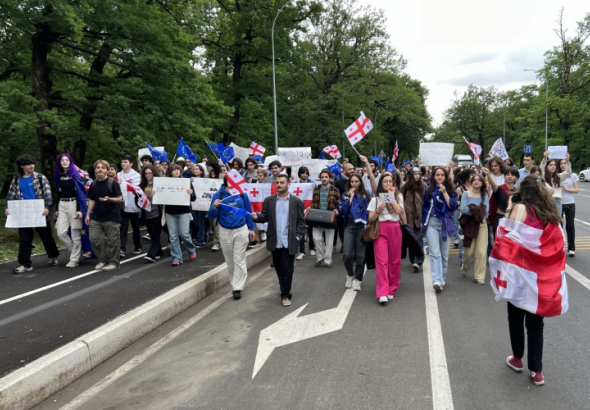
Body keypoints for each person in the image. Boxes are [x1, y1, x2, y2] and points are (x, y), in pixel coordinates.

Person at [501, 176, 565, 386]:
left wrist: (510, 208)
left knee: (516, 317)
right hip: (542, 278)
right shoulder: (552, 215)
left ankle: (517, 358)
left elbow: (507, 237)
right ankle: (536, 371)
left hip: (520, 274)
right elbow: (559, 246)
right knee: (536, 324)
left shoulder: (521, 209)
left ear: (525, 192)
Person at [252, 174, 306, 307]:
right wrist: (256, 217)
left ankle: (286, 294)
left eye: (282, 182)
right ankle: (283, 287)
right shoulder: (269, 201)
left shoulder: (296, 202)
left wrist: (297, 236)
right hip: (275, 240)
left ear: (288, 184)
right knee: (278, 268)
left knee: (287, 269)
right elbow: (265, 216)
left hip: (289, 241)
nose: (279, 185)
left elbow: (301, 222)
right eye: (277, 183)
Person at [6, 155, 60, 273]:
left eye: (32, 163)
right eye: (28, 164)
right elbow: (11, 195)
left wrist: (47, 207)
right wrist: (8, 207)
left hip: (39, 212)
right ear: (22, 166)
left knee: (46, 236)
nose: (32, 166)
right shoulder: (16, 180)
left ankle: (53, 255)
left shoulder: (40, 178)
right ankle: (25, 264)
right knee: (25, 239)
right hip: (23, 213)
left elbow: (47, 194)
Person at [208, 176, 256, 299]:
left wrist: (251, 228)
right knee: (230, 260)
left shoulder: (242, 195)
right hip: (224, 230)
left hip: (240, 230)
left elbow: (248, 212)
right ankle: (234, 282)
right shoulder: (219, 194)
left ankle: (237, 287)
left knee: (238, 259)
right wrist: (214, 206)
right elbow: (212, 214)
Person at [367, 172, 404, 305]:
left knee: (394, 260)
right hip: (381, 229)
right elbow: (370, 219)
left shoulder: (398, 196)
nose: (388, 184)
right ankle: (382, 291)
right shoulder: (375, 199)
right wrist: (378, 210)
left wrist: (392, 198)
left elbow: (399, 211)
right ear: (381, 184)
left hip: (394, 228)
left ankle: (391, 289)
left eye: (390, 181)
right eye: (385, 182)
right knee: (382, 261)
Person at [422, 167, 457, 293]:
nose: (440, 177)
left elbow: (452, 207)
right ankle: (436, 280)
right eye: (437, 175)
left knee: (444, 255)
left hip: (446, 223)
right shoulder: (428, 189)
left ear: (446, 177)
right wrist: (423, 223)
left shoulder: (452, 189)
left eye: (442, 175)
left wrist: (445, 193)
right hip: (432, 222)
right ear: (434, 176)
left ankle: (442, 278)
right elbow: (425, 208)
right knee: (434, 253)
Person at [85, 160, 123, 271]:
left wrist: (109, 199)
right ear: (95, 170)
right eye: (98, 167)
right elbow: (92, 200)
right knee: (94, 239)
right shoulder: (94, 184)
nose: (100, 169)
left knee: (113, 241)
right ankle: (103, 259)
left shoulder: (112, 183)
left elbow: (119, 198)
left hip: (111, 216)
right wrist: (88, 215)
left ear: (107, 170)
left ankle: (114, 262)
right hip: (97, 216)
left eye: (103, 167)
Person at [53, 153, 89, 268]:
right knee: (60, 232)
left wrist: (79, 209)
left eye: (66, 160)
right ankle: (76, 253)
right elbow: (58, 193)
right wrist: (57, 209)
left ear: (70, 162)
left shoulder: (75, 175)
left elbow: (80, 193)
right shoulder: (58, 175)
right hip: (62, 204)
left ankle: (74, 258)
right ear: (59, 162)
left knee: (75, 232)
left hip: (74, 203)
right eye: (62, 160)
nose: (64, 162)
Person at [339, 174, 371, 291]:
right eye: (352, 181)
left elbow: (369, 210)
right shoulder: (346, 194)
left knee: (361, 255)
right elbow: (343, 209)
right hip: (349, 225)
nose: (354, 184)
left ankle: (358, 279)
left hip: (361, 226)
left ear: (360, 182)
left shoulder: (365, 195)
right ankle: (350, 274)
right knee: (347, 254)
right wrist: (351, 197)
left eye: (356, 181)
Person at [163, 163, 197, 266]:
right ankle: (177, 257)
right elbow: (161, 196)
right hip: (170, 212)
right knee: (173, 236)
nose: (177, 171)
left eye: (178, 169)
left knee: (184, 234)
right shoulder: (165, 182)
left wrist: (191, 193)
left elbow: (194, 198)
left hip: (183, 211)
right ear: (170, 172)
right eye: (174, 170)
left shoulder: (185, 182)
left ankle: (191, 249)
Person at [459, 174, 489, 284]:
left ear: (482, 182)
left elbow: (485, 211)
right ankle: (465, 267)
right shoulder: (466, 194)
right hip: (469, 224)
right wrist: (477, 210)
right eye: (474, 180)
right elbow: (463, 209)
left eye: (478, 180)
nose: (476, 181)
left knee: (481, 251)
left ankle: (479, 276)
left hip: (481, 224)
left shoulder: (484, 195)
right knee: (468, 252)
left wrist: (471, 207)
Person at [310, 169, 340, 268]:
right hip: (317, 217)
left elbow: (339, 204)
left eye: (326, 177)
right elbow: (313, 202)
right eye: (322, 177)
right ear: (320, 178)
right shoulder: (316, 189)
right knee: (316, 238)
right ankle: (319, 257)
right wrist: (310, 208)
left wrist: (337, 210)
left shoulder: (335, 190)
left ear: (329, 178)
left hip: (329, 217)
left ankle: (328, 259)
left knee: (329, 240)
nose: (324, 179)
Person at [117, 155, 142, 258]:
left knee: (136, 227)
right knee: (123, 227)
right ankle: (122, 248)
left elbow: (135, 188)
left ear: (131, 164)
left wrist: (123, 183)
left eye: (125, 162)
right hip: (123, 205)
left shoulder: (136, 175)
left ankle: (138, 246)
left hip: (133, 205)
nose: (123, 164)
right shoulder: (118, 175)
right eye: (122, 162)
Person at [402, 167, 426, 272]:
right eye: (415, 174)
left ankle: (419, 259)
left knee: (419, 239)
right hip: (409, 217)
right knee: (412, 239)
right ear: (411, 175)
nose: (417, 176)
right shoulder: (405, 187)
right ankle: (413, 260)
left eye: (418, 174)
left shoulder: (424, 186)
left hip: (420, 216)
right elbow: (401, 200)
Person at [139, 165, 163, 262]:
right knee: (153, 234)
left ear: (154, 173)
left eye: (149, 173)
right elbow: (139, 199)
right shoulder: (142, 186)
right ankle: (159, 251)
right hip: (147, 213)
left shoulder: (158, 184)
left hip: (156, 213)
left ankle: (151, 255)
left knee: (155, 234)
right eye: (145, 173)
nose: (147, 175)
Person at [540, 151, 572, 217]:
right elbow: (541, 169)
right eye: (551, 165)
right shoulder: (543, 176)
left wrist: (567, 160)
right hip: (547, 201)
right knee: (547, 221)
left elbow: (568, 172)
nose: (553, 167)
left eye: (554, 165)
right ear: (547, 166)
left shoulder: (559, 176)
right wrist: (544, 158)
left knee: (557, 222)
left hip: (557, 201)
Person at [455, 168, 474, 267]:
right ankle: (462, 258)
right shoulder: (460, 189)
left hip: (474, 216)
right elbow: (456, 201)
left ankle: (469, 256)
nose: (473, 177)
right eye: (471, 175)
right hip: (463, 215)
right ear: (466, 177)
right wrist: (460, 206)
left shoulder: (476, 187)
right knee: (463, 237)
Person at [295, 166, 316, 260]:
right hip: (299, 210)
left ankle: (312, 247)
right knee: (301, 230)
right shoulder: (295, 184)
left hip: (309, 209)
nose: (305, 174)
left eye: (306, 173)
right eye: (303, 173)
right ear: (299, 174)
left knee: (311, 230)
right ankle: (302, 251)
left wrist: (314, 186)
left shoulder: (312, 183)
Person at [560, 158, 579, 256]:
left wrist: (566, 188)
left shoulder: (573, 175)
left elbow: (576, 190)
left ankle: (571, 248)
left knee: (570, 225)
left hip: (570, 203)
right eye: (561, 163)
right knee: (559, 226)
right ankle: (559, 246)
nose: (563, 165)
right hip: (559, 203)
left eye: (565, 163)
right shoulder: (558, 176)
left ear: (568, 164)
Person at [205, 159, 224, 251]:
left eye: (208, 165)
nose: (207, 167)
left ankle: (217, 243)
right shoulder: (206, 177)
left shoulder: (222, 176)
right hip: (208, 203)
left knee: (216, 223)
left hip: (220, 202)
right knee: (212, 223)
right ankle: (219, 240)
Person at [190, 164, 208, 248]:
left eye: (197, 169)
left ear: (201, 171)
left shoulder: (205, 181)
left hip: (202, 204)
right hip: (194, 204)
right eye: (194, 169)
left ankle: (200, 241)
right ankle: (204, 236)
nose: (195, 170)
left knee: (200, 223)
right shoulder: (190, 180)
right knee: (196, 223)